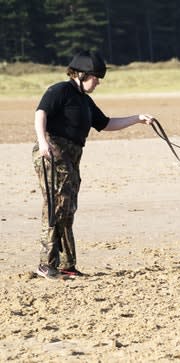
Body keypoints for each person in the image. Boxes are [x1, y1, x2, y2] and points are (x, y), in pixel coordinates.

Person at [33, 50, 156, 279]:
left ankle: (67, 265)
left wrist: (138, 118)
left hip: (72, 156)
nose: (98, 81)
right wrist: (42, 143)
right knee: (55, 207)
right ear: (80, 74)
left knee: (68, 209)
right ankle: (45, 263)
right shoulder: (60, 91)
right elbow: (41, 114)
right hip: (53, 152)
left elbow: (107, 123)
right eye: (95, 77)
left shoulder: (85, 101)